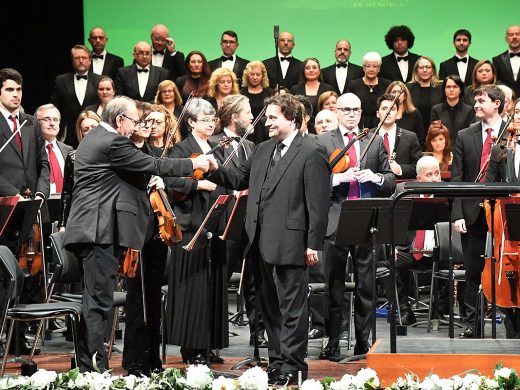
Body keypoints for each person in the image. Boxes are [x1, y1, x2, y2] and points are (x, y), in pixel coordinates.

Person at [63, 96, 215, 372]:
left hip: (95, 229)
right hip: (97, 231)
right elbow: (152, 164)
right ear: (119, 120)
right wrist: (194, 165)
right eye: (133, 121)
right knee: (98, 302)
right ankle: (91, 371)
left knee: (97, 300)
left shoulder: (96, 138)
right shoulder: (113, 141)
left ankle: (91, 366)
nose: (135, 127)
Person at [211, 94, 330, 385]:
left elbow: (318, 203)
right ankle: (277, 360)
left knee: (292, 308)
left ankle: (293, 363)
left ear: (292, 118)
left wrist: (313, 243)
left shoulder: (311, 150)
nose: (266, 122)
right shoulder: (263, 149)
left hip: (292, 241)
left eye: (273, 117)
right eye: (267, 117)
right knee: (269, 308)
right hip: (260, 242)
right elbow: (240, 179)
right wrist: (213, 167)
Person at [317, 93, 395, 361]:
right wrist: (338, 178)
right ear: (336, 111)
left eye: (356, 109)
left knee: (366, 286)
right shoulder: (324, 140)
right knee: (334, 285)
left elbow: (391, 179)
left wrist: (375, 177)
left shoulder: (373, 141)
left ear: (362, 112)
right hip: (335, 220)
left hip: (365, 220)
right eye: (346, 109)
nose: (351, 114)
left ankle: (363, 341)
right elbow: (313, 180)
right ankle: (332, 340)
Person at [165, 98, 229, 365]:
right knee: (191, 286)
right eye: (205, 119)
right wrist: (197, 185)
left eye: (212, 118)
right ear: (190, 122)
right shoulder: (180, 149)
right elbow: (170, 182)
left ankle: (210, 342)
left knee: (213, 285)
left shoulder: (217, 149)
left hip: (214, 223)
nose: (210, 122)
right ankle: (191, 346)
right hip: (191, 225)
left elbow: (227, 179)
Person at [209, 95, 266, 346]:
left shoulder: (252, 146)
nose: (252, 117)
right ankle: (215, 335)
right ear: (234, 117)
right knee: (220, 280)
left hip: (249, 220)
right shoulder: (211, 144)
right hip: (225, 221)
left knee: (256, 279)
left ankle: (258, 333)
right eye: (247, 113)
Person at [0, 68, 49, 356]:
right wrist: (12, 193)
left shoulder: (30, 123)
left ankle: (18, 339)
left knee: (25, 274)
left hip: (30, 208)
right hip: (4, 208)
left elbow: (43, 163)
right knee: (3, 274)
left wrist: (41, 191)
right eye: (9, 89)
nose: (16, 95)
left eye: (19, 90)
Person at [451, 85, 506, 338]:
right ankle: (473, 324)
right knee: (473, 269)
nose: (476, 105)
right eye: (475, 101)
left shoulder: (511, 132)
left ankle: (512, 321)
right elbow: (458, 178)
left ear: (497, 103)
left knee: (508, 265)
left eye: (481, 100)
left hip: (504, 210)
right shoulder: (464, 135)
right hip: (472, 209)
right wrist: (457, 213)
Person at [121, 102, 170, 376]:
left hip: (155, 232)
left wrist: (163, 182)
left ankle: (153, 360)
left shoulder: (152, 151)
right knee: (137, 299)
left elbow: (160, 176)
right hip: (134, 233)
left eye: (153, 122)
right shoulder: (126, 150)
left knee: (152, 297)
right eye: (145, 121)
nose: (150, 127)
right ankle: (136, 361)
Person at [382, 156, 443, 326]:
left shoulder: (447, 190)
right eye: (429, 175)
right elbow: (390, 220)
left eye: (437, 173)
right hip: (410, 249)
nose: (435, 178)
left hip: (438, 250)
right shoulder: (403, 190)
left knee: (456, 262)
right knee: (390, 264)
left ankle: (439, 310)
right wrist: (392, 246)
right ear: (419, 178)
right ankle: (403, 309)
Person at [486, 97, 520, 339]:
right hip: (507, 232)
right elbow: (489, 187)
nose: (519, 116)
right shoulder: (500, 149)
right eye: (517, 112)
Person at [57, 111, 101, 231]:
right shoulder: (73, 157)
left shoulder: (113, 153)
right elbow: (67, 193)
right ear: (81, 133)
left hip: (106, 216)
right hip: (81, 216)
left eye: (94, 127)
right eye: (86, 129)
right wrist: (62, 224)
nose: (91, 131)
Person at [51, 45, 101, 148]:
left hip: (94, 133)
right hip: (68, 135)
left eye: (84, 57)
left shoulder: (100, 80)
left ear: (90, 60)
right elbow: (55, 107)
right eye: (77, 58)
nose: (81, 60)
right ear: (72, 61)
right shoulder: (60, 80)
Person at [374, 94, 421, 180]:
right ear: (377, 113)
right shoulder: (368, 137)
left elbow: (417, 168)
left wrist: (399, 169)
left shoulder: (410, 137)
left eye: (392, 109)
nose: (388, 112)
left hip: (400, 188)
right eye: (384, 109)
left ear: (398, 114)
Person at [34, 104, 73, 195]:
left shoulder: (68, 150)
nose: (52, 123)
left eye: (55, 120)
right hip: (40, 201)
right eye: (46, 119)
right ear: (36, 122)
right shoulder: (30, 149)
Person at [347, 52, 391, 128]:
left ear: (379, 69)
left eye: (375, 66)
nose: (371, 69)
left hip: (382, 125)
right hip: (359, 125)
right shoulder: (353, 84)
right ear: (364, 68)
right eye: (368, 66)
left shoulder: (387, 84)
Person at [290, 58, 334, 131]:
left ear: (319, 71)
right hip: (300, 129)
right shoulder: (295, 89)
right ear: (303, 71)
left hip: (324, 128)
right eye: (307, 68)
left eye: (314, 67)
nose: (311, 70)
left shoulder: (328, 88)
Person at [431, 75, 475, 146]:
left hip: (463, 148)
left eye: (455, 87)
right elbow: (433, 133)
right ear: (444, 90)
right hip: (442, 149)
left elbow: (470, 134)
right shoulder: (436, 109)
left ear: (460, 90)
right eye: (448, 87)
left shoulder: (469, 110)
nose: (451, 90)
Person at [406, 56, 443, 141]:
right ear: (416, 71)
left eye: (428, 67)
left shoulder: (441, 87)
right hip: (414, 132)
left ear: (433, 70)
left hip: (436, 131)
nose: (424, 70)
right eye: (421, 67)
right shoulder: (408, 87)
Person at [240, 61, 272, 144]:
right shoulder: (240, 94)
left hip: (266, 134)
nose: (255, 77)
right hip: (245, 133)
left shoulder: (270, 94)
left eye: (258, 74)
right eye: (252, 74)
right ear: (247, 75)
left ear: (263, 76)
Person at [386, 81, 424, 146]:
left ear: (405, 96)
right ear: (388, 95)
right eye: (393, 92)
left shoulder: (414, 113)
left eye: (399, 92)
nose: (396, 95)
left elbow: (420, 137)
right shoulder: (384, 112)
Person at [493, 25, 520, 98]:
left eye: (517, 34)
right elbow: (496, 82)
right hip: (505, 101)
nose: (514, 37)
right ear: (506, 39)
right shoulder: (497, 60)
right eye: (511, 35)